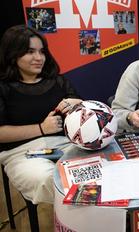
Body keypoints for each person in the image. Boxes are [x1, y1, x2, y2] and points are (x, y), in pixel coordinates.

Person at [0, 25, 82, 204]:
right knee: (51, 180)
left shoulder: (59, 81)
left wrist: (78, 104)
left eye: (42, 52)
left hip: (65, 145)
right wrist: (41, 128)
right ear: (12, 54)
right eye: (30, 52)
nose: (39, 58)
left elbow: (82, 112)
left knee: (94, 170)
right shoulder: (3, 88)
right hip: (21, 153)